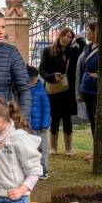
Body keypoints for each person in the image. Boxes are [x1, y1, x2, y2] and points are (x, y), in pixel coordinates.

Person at [39, 27, 80, 156]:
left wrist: (80, 40)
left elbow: (83, 52)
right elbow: (42, 69)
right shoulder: (48, 51)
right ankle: (53, 147)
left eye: (69, 37)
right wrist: (52, 76)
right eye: (64, 35)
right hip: (53, 89)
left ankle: (68, 148)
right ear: (59, 36)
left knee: (67, 118)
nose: (66, 39)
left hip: (68, 90)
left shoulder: (73, 52)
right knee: (55, 117)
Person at [77, 22, 99, 162]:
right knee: (92, 121)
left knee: (97, 121)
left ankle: (98, 151)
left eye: (88, 31)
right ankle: (95, 150)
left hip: (97, 90)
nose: (87, 33)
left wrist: (99, 74)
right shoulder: (87, 47)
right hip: (87, 89)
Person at [28, 66, 51, 178]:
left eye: (30, 80)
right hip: (28, 126)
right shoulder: (25, 91)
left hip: (40, 127)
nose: (29, 82)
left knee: (41, 148)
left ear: (35, 78)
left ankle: (44, 169)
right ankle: (32, 168)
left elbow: (46, 109)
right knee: (30, 148)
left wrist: (45, 124)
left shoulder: (41, 92)